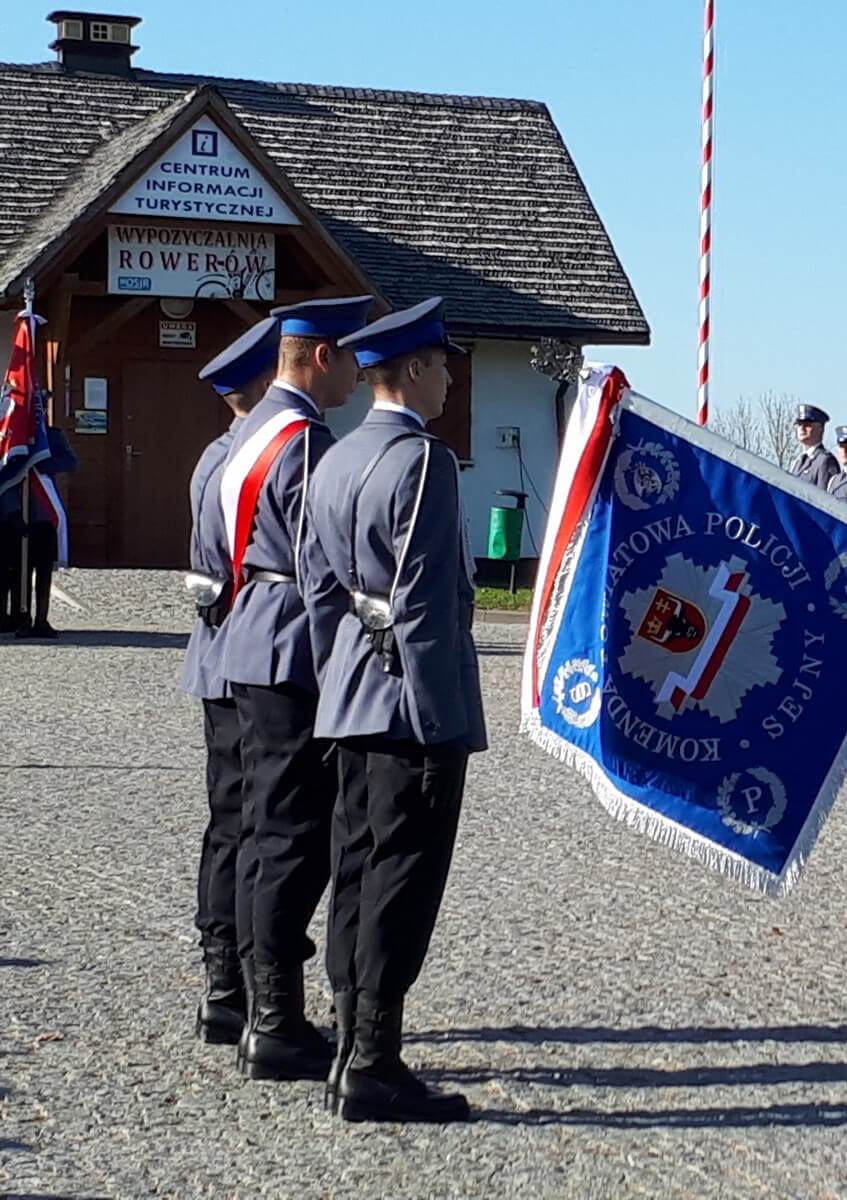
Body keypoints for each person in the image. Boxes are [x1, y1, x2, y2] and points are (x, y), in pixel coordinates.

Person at [299, 298, 484, 1123]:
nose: (450, 379)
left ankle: (349, 1047)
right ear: (412, 370)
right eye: (443, 365)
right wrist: (441, 722)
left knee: (356, 871)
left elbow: (316, 589)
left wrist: (336, 678)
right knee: (403, 882)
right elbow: (421, 606)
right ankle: (373, 1061)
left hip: (348, 697)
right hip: (411, 706)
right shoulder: (426, 462)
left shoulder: (334, 458)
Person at [214, 295, 370, 1080]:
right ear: (320, 358)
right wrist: (340, 669)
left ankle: (252, 1001)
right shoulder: (304, 442)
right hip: (289, 650)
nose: (356, 371)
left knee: (257, 831)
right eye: (350, 357)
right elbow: (320, 568)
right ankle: (276, 1016)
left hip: (247, 636)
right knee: (291, 840)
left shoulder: (250, 432)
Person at [181, 316, 280, 1046]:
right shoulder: (256, 458)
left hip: (217, 654)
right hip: (251, 656)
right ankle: (245, 977)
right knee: (258, 824)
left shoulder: (214, 457)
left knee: (229, 822)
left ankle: (224, 983)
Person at [4, 423, 76, 638]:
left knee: (44, 570)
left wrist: (44, 465)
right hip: (18, 515)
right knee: (19, 571)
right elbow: (4, 476)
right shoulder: (11, 435)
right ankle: (21, 617)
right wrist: (12, 510)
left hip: (44, 514)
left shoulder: (53, 436)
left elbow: (71, 462)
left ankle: (41, 619)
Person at [791, 404, 839, 489]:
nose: (802, 428)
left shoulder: (825, 461)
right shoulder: (797, 463)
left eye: (807, 424)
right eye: (799, 424)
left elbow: (823, 498)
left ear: (821, 428)